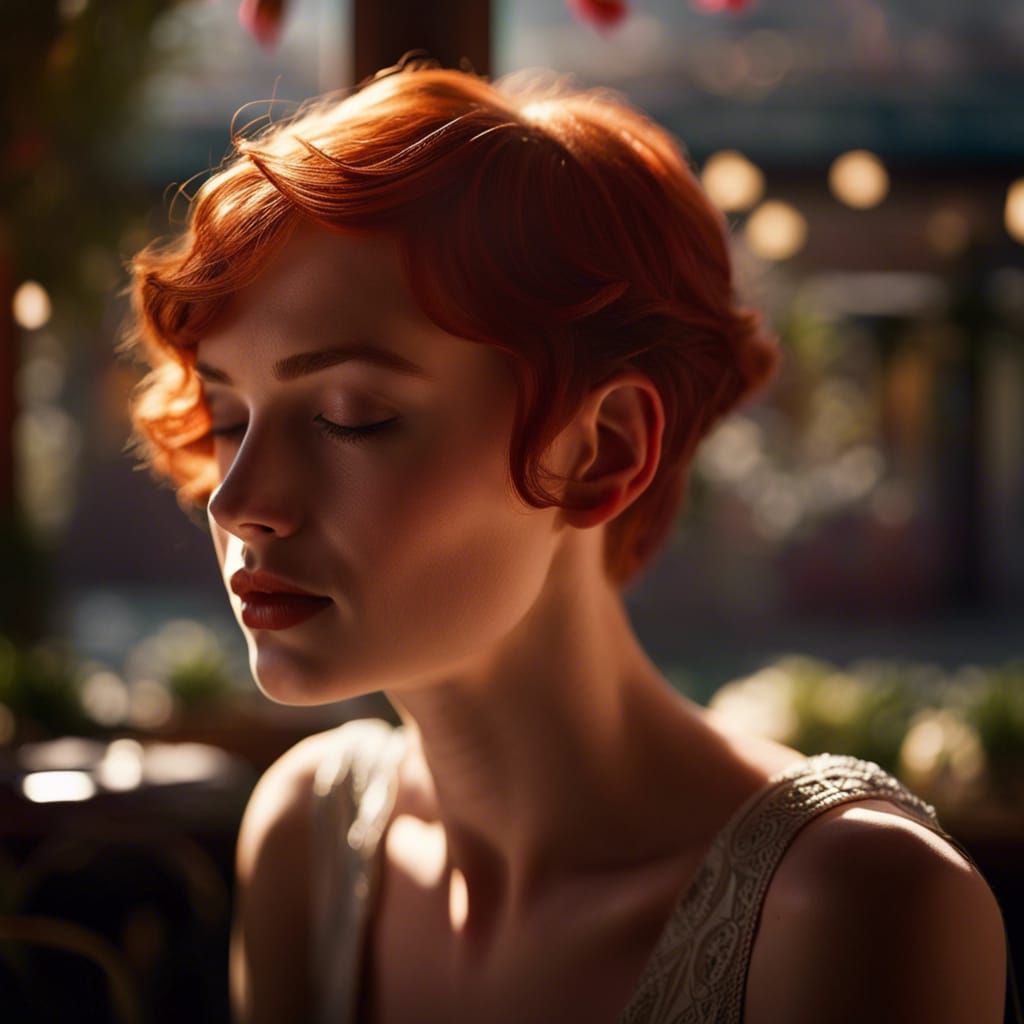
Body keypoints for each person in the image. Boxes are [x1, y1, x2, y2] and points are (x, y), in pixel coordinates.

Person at [120, 58, 1016, 1024]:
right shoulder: (310, 841)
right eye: (225, 416)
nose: (239, 500)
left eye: (350, 414)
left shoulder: (856, 908)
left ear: (603, 452)